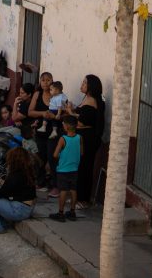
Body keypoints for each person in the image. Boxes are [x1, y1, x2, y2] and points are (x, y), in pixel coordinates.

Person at [61, 74, 105, 208]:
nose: (82, 84)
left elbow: (81, 122)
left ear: (91, 86)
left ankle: (83, 199)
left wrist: (70, 112)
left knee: (85, 168)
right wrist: (73, 109)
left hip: (88, 140)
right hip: (80, 138)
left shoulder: (92, 101)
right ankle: (77, 196)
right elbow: (80, 115)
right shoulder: (86, 98)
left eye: (85, 83)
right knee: (78, 167)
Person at [0, 147, 36, 234]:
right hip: (27, 208)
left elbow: (0, 194)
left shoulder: (15, 175)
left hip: (19, 210)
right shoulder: (27, 172)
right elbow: (12, 188)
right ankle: (2, 223)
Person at [49, 116, 82, 222]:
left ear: (66, 126)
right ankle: (72, 212)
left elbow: (55, 154)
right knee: (73, 190)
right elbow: (81, 152)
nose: (62, 125)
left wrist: (62, 156)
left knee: (63, 190)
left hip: (63, 169)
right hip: (74, 168)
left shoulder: (63, 139)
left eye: (63, 123)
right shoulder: (79, 137)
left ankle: (61, 213)